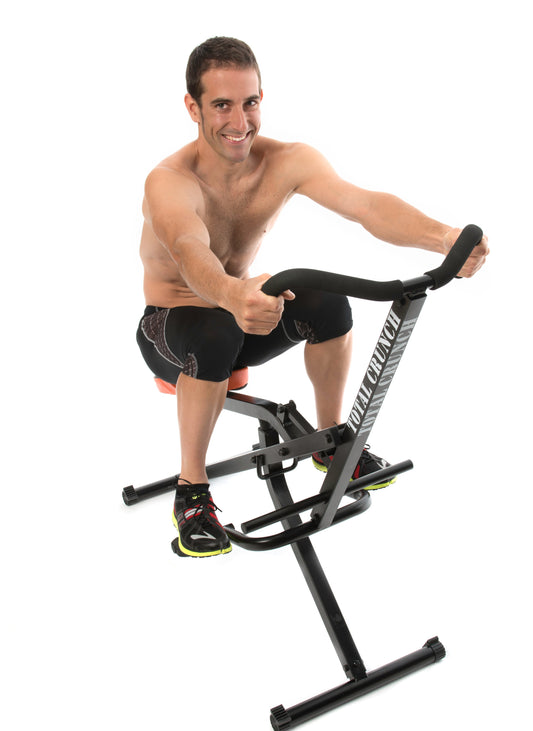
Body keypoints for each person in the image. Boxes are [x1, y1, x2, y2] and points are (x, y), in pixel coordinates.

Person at [136, 37, 489, 558]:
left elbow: (364, 205)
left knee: (325, 301)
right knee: (213, 332)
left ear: (262, 98)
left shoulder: (286, 160)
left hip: (243, 317)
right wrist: (232, 293)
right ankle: (192, 491)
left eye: (249, 102)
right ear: (193, 107)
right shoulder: (169, 181)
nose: (239, 121)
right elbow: (189, 250)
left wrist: (445, 239)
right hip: (172, 326)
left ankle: (332, 443)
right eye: (222, 105)